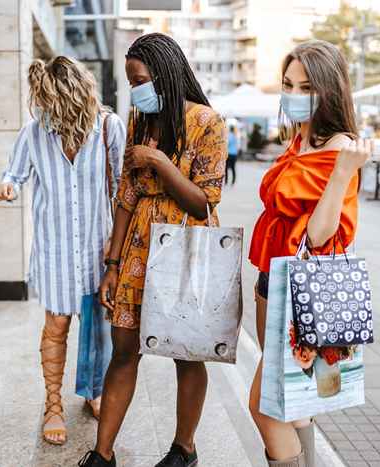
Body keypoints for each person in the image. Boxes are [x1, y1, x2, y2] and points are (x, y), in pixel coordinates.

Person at [79, 33, 227, 467]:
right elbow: (126, 194)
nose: (135, 90)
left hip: (185, 246)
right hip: (139, 248)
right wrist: (112, 262)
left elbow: (203, 201)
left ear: (164, 75)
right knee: (123, 350)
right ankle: (102, 454)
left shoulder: (207, 122)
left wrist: (162, 163)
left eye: (140, 80)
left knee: (186, 352)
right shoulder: (139, 119)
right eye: (130, 82)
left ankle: (184, 448)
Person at [247, 40, 372, 467]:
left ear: (329, 91)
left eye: (306, 88)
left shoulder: (341, 147)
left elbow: (322, 236)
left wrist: (341, 174)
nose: (294, 96)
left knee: (265, 407)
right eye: (288, 85)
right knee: (295, 405)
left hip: (303, 289)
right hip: (273, 278)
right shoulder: (302, 138)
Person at [0, 56, 126, 446]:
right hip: (54, 252)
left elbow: (122, 188)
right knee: (57, 326)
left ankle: (93, 392)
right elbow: (14, 174)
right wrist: (7, 187)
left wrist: (116, 246)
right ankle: (53, 403)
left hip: (97, 248)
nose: (55, 115)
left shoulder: (108, 128)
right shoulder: (34, 133)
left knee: (97, 327)